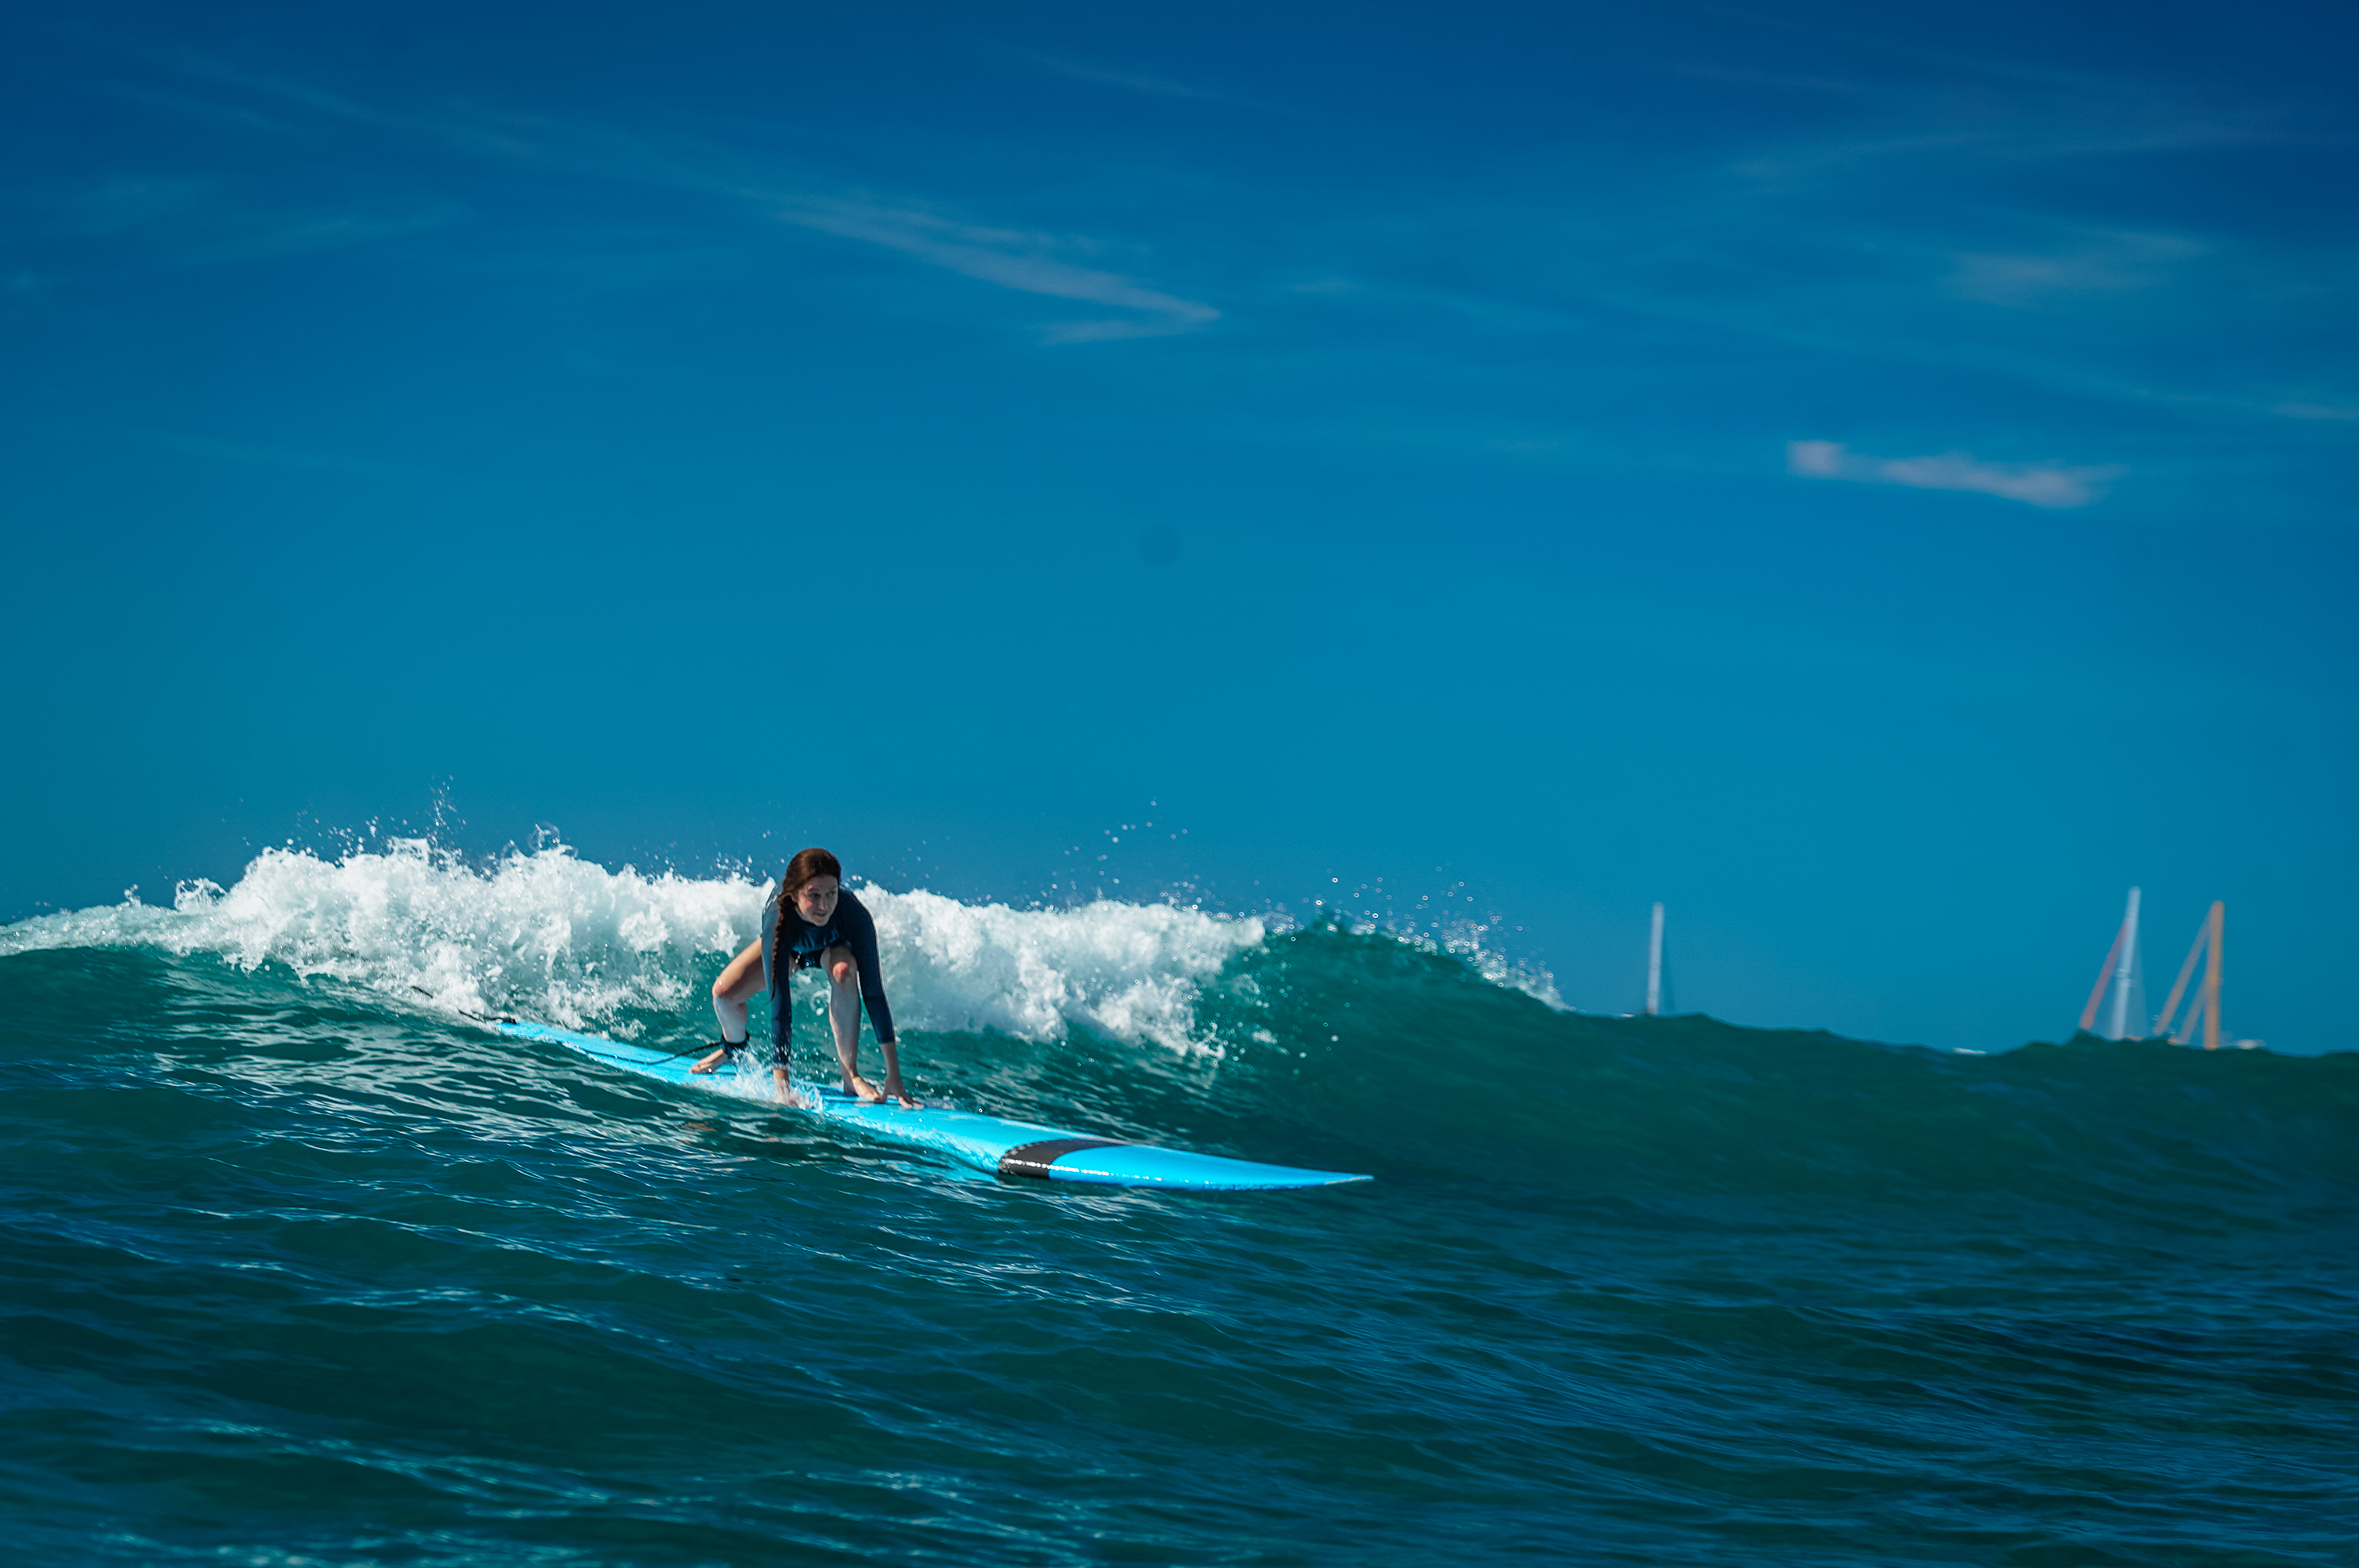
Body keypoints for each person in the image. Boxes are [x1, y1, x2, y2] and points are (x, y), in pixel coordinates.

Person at [694, 847, 919, 1109]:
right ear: (794, 893)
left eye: (831, 894)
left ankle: (851, 1075)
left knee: (844, 972)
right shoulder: (778, 917)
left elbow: (874, 994)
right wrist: (782, 1085)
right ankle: (733, 1048)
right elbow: (780, 1004)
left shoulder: (854, 916)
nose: (824, 906)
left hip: (833, 949)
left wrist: (894, 1075)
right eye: (814, 896)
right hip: (791, 950)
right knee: (723, 994)